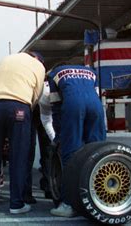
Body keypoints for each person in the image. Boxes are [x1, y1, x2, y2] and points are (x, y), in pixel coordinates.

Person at [0, 52, 45, 214]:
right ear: (38, 60)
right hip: (18, 107)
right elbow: (36, 95)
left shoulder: (6, 59)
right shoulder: (38, 66)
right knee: (19, 155)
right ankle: (16, 204)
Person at [48, 64, 106, 217]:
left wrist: (60, 135)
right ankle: (101, 199)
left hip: (73, 105)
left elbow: (55, 106)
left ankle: (68, 204)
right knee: (98, 151)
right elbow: (96, 94)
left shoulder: (54, 73)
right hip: (96, 106)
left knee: (70, 155)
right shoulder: (91, 72)